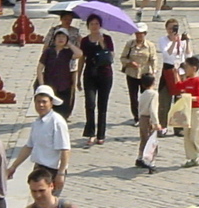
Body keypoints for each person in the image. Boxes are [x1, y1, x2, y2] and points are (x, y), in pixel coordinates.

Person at [9, 86, 72, 189]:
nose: (41, 105)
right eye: (38, 102)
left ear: (51, 103)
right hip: (38, 168)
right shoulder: (36, 123)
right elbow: (29, 147)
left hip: (53, 171)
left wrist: (61, 173)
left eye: (44, 102)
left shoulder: (57, 122)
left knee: (48, 202)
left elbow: (65, 150)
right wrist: (14, 166)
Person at [79, 15, 117, 144]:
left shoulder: (107, 38)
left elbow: (111, 57)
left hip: (105, 74)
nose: (94, 26)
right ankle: (90, 133)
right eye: (91, 24)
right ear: (88, 26)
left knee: (102, 105)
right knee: (90, 104)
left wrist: (102, 43)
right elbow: (82, 59)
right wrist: (78, 77)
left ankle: (101, 134)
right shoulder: (84, 41)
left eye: (96, 24)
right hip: (89, 74)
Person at [172, 58, 199, 166]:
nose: (185, 69)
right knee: (187, 135)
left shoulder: (198, 81)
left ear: (194, 68)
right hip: (187, 110)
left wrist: (188, 98)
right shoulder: (187, 81)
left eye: (187, 67)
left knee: (196, 134)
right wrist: (175, 74)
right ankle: (192, 158)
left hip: (196, 110)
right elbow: (179, 86)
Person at [36, 30, 80, 120]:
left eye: (63, 37)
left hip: (65, 86)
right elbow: (40, 68)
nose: (61, 39)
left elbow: (79, 54)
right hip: (50, 85)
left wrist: (70, 44)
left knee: (62, 113)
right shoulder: (49, 52)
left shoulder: (68, 53)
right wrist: (42, 84)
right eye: (59, 37)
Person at [157, 18, 190, 128]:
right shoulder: (163, 40)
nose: (172, 30)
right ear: (166, 29)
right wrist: (174, 42)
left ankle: (179, 127)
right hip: (168, 70)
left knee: (180, 101)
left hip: (180, 71)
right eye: (170, 28)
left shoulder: (182, 40)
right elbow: (167, 54)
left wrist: (187, 42)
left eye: (174, 28)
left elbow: (188, 55)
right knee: (164, 100)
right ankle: (162, 126)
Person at [121, 23, 160, 117]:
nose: (139, 35)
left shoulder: (150, 45)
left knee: (145, 96)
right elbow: (122, 58)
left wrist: (153, 72)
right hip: (132, 74)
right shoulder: (130, 44)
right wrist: (130, 62)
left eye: (141, 33)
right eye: (137, 33)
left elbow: (153, 59)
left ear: (145, 34)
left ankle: (145, 115)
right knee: (133, 97)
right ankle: (136, 116)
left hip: (145, 74)